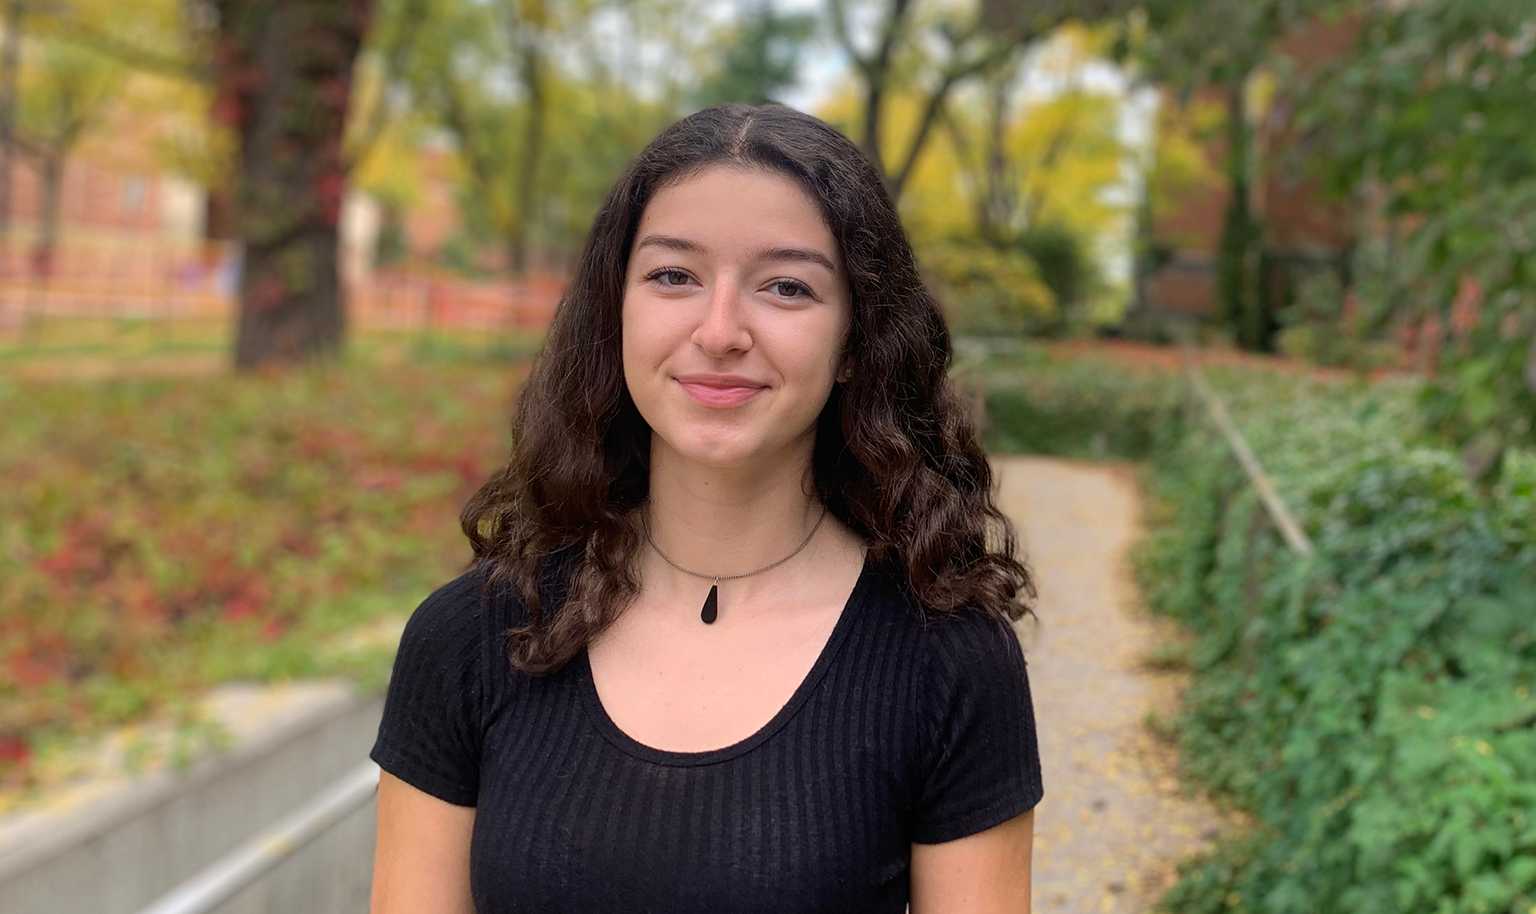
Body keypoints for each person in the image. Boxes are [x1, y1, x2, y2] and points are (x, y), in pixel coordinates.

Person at [369, 102, 1044, 914]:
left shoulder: (948, 660)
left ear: (857, 344)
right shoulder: (468, 639)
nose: (720, 330)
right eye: (673, 276)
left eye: (787, 286)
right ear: (615, 311)